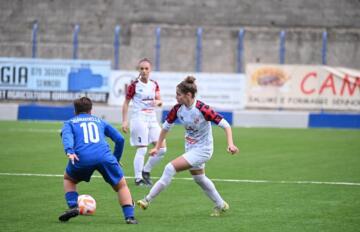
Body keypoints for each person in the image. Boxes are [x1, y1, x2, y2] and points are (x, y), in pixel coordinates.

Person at [137, 76, 239, 216]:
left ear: (188, 95)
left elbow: (226, 125)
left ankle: (147, 200)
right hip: (190, 148)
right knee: (200, 179)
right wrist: (157, 147)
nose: (176, 97)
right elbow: (165, 129)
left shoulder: (203, 109)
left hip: (203, 149)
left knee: (169, 168)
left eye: (178, 95)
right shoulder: (178, 109)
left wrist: (230, 144)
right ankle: (221, 204)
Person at [58, 97, 138, 224]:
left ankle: (73, 206)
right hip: (105, 157)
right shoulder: (99, 121)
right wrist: (116, 158)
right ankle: (130, 217)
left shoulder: (69, 123)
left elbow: (67, 137)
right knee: (121, 185)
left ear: (75, 111)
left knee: (69, 179)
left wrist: (70, 151)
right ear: (91, 110)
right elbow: (120, 139)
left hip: (82, 157)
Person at [122, 58, 167, 186]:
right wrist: (125, 121)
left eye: (146, 68)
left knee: (162, 149)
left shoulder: (154, 84)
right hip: (139, 118)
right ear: (139, 70)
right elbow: (126, 103)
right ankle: (138, 178)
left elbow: (159, 100)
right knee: (142, 149)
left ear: (150, 70)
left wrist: (158, 102)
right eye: (141, 68)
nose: (144, 71)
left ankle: (146, 171)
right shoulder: (134, 85)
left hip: (152, 118)